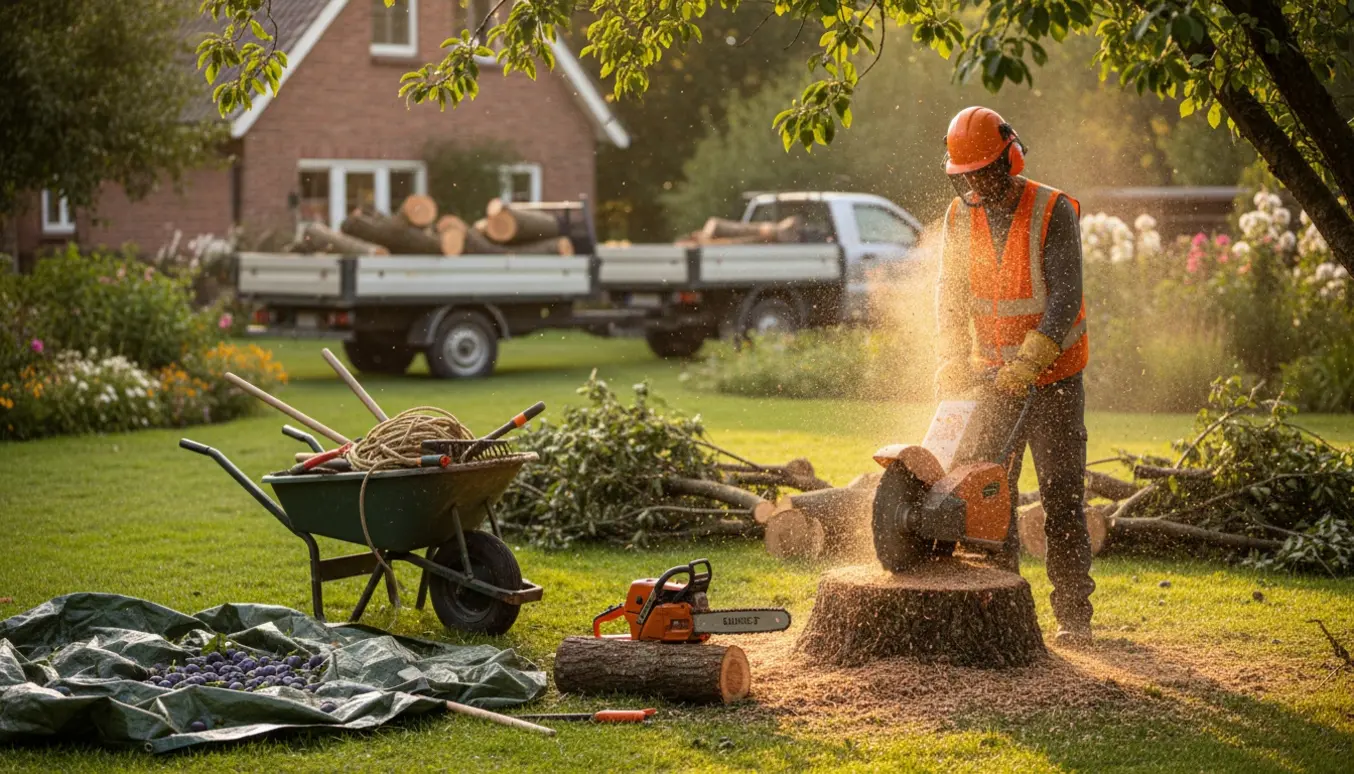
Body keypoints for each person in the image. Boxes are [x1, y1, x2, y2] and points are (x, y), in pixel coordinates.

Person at [934, 106, 1095, 645]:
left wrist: (1030, 362)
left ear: (1010, 158)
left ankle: (1074, 615)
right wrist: (952, 358)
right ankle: (999, 616)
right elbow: (950, 297)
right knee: (987, 494)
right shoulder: (960, 218)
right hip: (991, 379)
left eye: (985, 171)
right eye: (969, 176)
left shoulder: (1053, 210)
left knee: (1061, 493)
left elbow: (1065, 296)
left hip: (1053, 378)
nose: (977, 184)